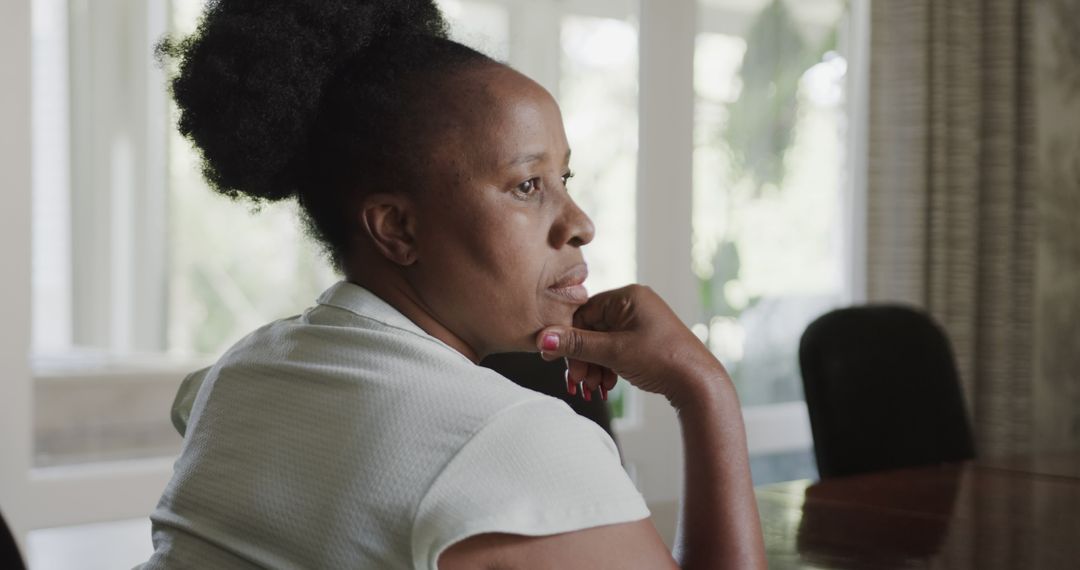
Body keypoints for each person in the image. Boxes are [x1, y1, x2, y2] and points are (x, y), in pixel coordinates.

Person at [142, 0, 766, 568]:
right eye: (527, 186)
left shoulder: (232, 379)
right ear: (398, 229)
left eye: (564, 179)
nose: (579, 224)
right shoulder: (516, 442)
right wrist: (702, 387)